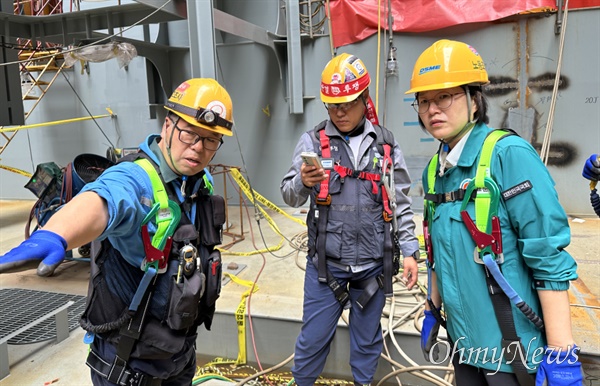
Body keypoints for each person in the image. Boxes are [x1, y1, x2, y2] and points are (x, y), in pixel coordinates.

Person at [0, 78, 233, 385]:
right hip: (129, 365)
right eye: (189, 133)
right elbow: (104, 200)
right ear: (168, 126)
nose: (199, 148)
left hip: (178, 354)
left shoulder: (199, 182)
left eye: (211, 140)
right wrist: (55, 233)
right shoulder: (136, 178)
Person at [406, 39, 583, 386]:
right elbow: (437, 252)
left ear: (474, 100)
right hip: (465, 346)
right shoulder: (434, 171)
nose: (432, 109)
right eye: (424, 101)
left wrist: (561, 350)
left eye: (445, 96)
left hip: (513, 351)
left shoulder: (508, 156)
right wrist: (432, 307)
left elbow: (547, 252)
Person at [281, 53, 420, 386]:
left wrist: (411, 251)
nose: (339, 112)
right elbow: (288, 194)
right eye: (332, 106)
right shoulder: (313, 142)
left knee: (367, 343)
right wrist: (304, 181)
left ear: (364, 98)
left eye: (347, 104)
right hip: (326, 268)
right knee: (312, 342)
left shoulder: (385, 145)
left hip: (373, 267)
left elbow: (400, 201)